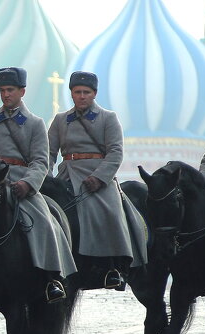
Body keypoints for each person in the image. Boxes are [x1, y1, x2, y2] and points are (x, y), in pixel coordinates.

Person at [0, 66, 76, 301]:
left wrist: (28, 184)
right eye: (2, 90)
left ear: (22, 91)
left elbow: (41, 161)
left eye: (10, 90)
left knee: (45, 223)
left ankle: (52, 278)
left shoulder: (35, 123)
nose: (5, 95)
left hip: (21, 186)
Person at [47, 71, 145, 289]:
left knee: (109, 211)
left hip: (99, 175)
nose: (82, 96)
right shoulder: (60, 120)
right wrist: (45, 177)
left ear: (94, 94)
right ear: (71, 94)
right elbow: (48, 153)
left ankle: (113, 267)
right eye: (77, 92)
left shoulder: (108, 118)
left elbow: (116, 152)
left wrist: (100, 178)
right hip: (67, 174)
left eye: (86, 92)